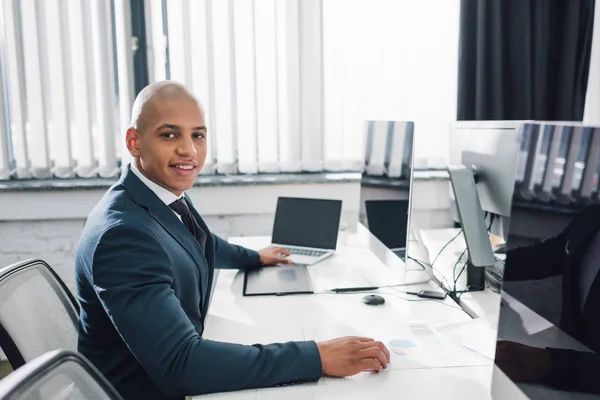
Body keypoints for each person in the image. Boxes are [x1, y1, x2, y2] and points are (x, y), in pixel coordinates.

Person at [75, 80, 390, 400]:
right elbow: (182, 364)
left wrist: (254, 257)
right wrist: (317, 357)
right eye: (169, 135)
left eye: (197, 135)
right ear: (134, 141)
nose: (189, 150)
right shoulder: (123, 237)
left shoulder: (155, 195)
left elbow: (199, 241)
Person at [495, 204, 600, 394]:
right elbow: (550, 255)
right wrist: (488, 264)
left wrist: (551, 364)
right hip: (565, 370)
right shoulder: (593, 216)